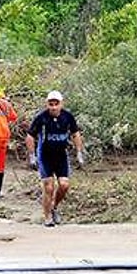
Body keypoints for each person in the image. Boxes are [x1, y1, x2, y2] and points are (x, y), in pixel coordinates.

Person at [26, 91, 85, 227]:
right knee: (49, 186)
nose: (53, 107)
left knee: (64, 185)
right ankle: (47, 217)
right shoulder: (41, 118)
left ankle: (54, 207)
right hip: (45, 155)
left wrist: (79, 153)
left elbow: (75, 134)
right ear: (47, 104)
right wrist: (32, 156)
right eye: (50, 104)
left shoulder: (68, 117)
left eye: (56, 104)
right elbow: (30, 136)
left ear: (61, 104)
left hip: (61, 155)